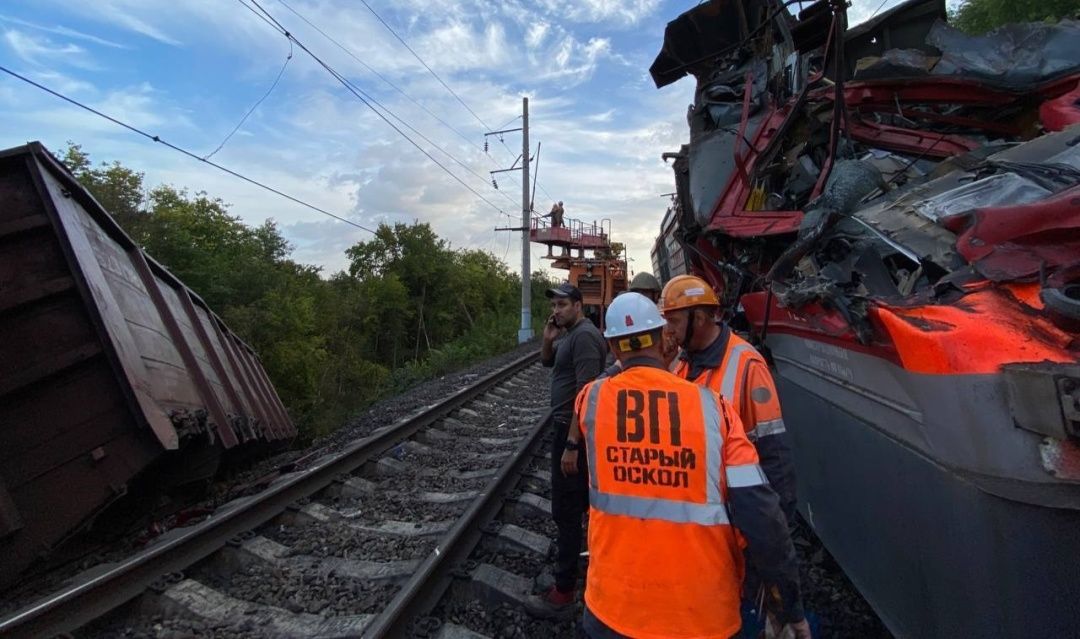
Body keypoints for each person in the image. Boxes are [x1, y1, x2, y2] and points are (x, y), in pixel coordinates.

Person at [560, 293, 810, 639]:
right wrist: (786, 603)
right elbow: (762, 514)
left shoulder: (591, 400)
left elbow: (609, 381)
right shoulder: (716, 410)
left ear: (613, 349)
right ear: (664, 338)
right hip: (703, 615)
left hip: (612, 609)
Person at [659, 275, 797, 524]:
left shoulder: (747, 365)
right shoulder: (680, 361)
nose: (668, 330)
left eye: (673, 321)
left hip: (735, 513)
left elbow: (773, 451)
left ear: (699, 319)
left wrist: (777, 525)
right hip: (697, 513)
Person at [526, 281, 607, 616]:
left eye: (561, 305)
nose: (555, 311)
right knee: (568, 507)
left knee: (568, 509)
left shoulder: (586, 336)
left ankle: (564, 591)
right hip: (564, 428)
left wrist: (572, 443)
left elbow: (585, 393)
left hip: (575, 433)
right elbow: (547, 364)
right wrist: (547, 340)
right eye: (554, 306)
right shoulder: (568, 335)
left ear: (578, 305)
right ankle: (573, 571)